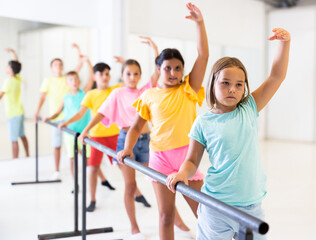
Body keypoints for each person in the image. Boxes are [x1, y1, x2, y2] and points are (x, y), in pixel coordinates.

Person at [166, 28, 291, 240]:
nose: (232, 89)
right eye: (225, 83)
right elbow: (192, 160)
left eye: (238, 85)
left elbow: (276, 76)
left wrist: (285, 43)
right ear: (213, 83)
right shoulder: (203, 122)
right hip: (217, 206)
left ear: (244, 88)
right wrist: (181, 174)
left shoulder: (249, 108)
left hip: (251, 206)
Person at [117, 3, 209, 240]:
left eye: (178, 68)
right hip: (159, 158)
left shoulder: (189, 89)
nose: (173, 73)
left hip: (186, 158)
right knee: (166, 216)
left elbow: (203, 55)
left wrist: (199, 23)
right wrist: (127, 148)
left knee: (204, 214)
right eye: (168, 68)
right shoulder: (149, 95)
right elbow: (137, 127)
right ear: (159, 68)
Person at [79, 37, 158, 239]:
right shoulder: (117, 93)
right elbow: (102, 113)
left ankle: (170, 217)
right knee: (130, 186)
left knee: (155, 180)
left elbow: (158, 72)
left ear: (140, 75)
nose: (132, 77)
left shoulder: (145, 91)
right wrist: (86, 129)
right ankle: (134, 227)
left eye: (136, 74)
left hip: (146, 141)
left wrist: (155, 49)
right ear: (122, 76)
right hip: (126, 141)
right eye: (128, 74)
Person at [59, 62, 120, 212]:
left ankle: (137, 193)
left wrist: (124, 63)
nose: (104, 77)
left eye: (107, 74)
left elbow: (128, 81)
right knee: (92, 168)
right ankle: (92, 199)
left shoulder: (115, 91)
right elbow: (80, 113)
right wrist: (66, 122)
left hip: (115, 135)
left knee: (123, 166)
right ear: (94, 77)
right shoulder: (90, 94)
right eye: (100, 74)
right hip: (96, 136)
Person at [34, 43, 83, 180]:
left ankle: (86, 165)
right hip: (55, 119)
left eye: (61, 64)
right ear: (51, 67)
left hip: (69, 118)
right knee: (57, 145)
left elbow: (79, 66)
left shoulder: (68, 79)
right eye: (56, 64)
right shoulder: (48, 81)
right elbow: (42, 97)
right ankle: (57, 171)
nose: (59, 67)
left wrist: (78, 50)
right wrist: (37, 112)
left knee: (75, 147)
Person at [43, 55, 94, 186]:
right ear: (67, 83)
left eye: (76, 79)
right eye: (71, 80)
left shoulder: (84, 93)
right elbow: (57, 112)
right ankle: (75, 183)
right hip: (70, 132)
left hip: (84, 132)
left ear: (79, 81)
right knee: (72, 158)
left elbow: (92, 77)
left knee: (87, 157)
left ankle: (88, 181)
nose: (74, 82)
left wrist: (88, 62)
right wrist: (49, 118)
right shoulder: (65, 97)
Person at [0, 48, 29, 159]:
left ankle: (15, 159)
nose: (6, 67)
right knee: (22, 135)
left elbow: (1, 95)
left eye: (8, 66)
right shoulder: (17, 78)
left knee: (13, 139)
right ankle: (27, 154)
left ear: (11, 69)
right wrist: (14, 53)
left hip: (12, 115)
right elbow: (17, 67)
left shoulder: (8, 81)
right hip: (20, 112)